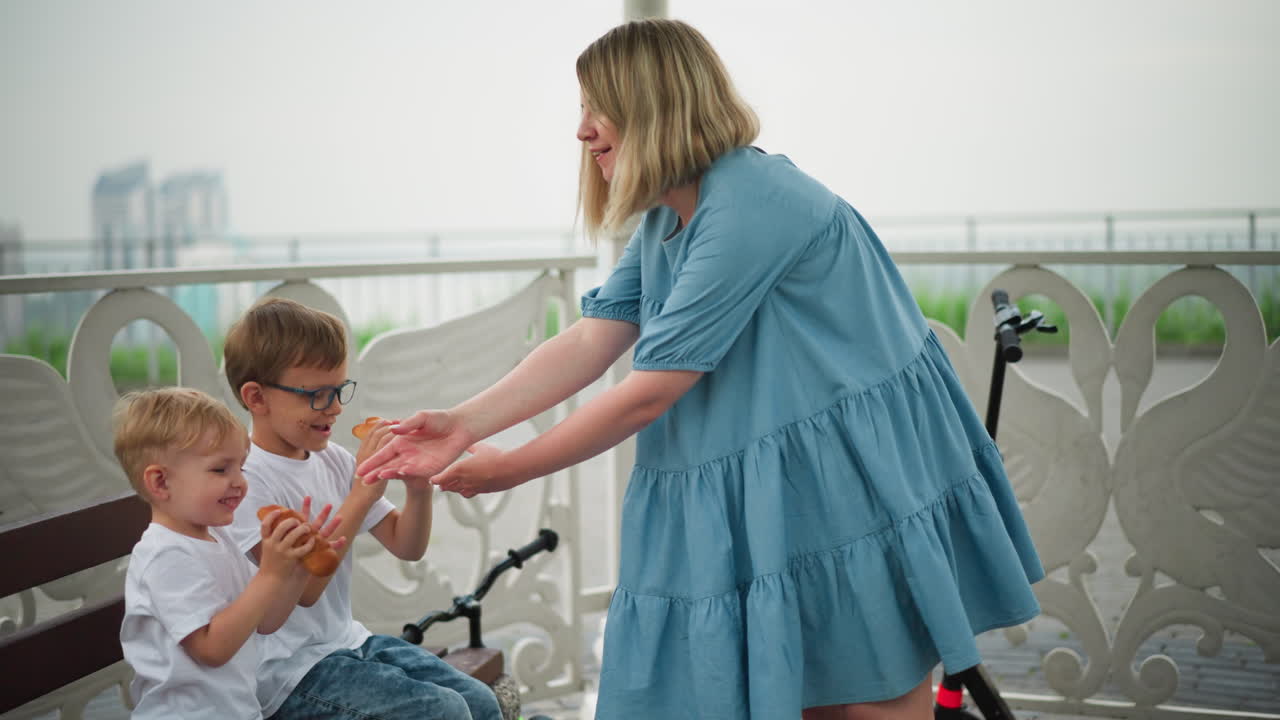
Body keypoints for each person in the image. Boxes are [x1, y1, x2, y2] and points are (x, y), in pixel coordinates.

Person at [358, 18, 1044, 720]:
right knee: (801, 694)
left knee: (863, 698)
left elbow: (646, 394)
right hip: (769, 478)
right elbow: (592, 340)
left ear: (657, 107)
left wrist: (511, 467)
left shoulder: (752, 202)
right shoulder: (670, 217)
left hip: (842, 481)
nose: (583, 130)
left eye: (600, 108)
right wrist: (461, 422)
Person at [223, 296, 502, 720]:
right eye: (316, 395)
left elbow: (406, 546)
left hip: (347, 643)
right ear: (257, 397)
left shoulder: (332, 458)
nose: (335, 408)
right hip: (287, 675)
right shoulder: (246, 481)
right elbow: (306, 591)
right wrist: (361, 493)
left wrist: (418, 488)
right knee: (445, 713)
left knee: (479, 703)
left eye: (339, 390)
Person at [115, 387, 331, 720]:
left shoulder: (218, 537)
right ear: (160, 482)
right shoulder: (164, 555)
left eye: (241, 468)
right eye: (220, 470)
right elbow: (212, 650)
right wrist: (270, 573)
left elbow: (266, 621)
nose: (239, 482)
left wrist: (296, 565)